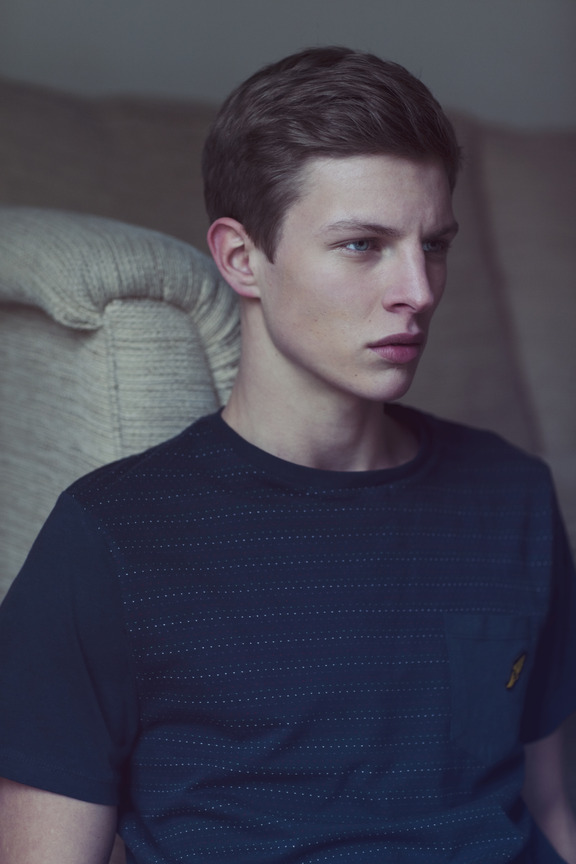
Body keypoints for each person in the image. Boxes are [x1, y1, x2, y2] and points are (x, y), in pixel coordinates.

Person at [0, 46, 575, 864]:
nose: (418, 290)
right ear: (242, 259)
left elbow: (548, 806)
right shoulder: (111, 538)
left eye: (435, 245)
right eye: (363, 245)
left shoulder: (513, 494)